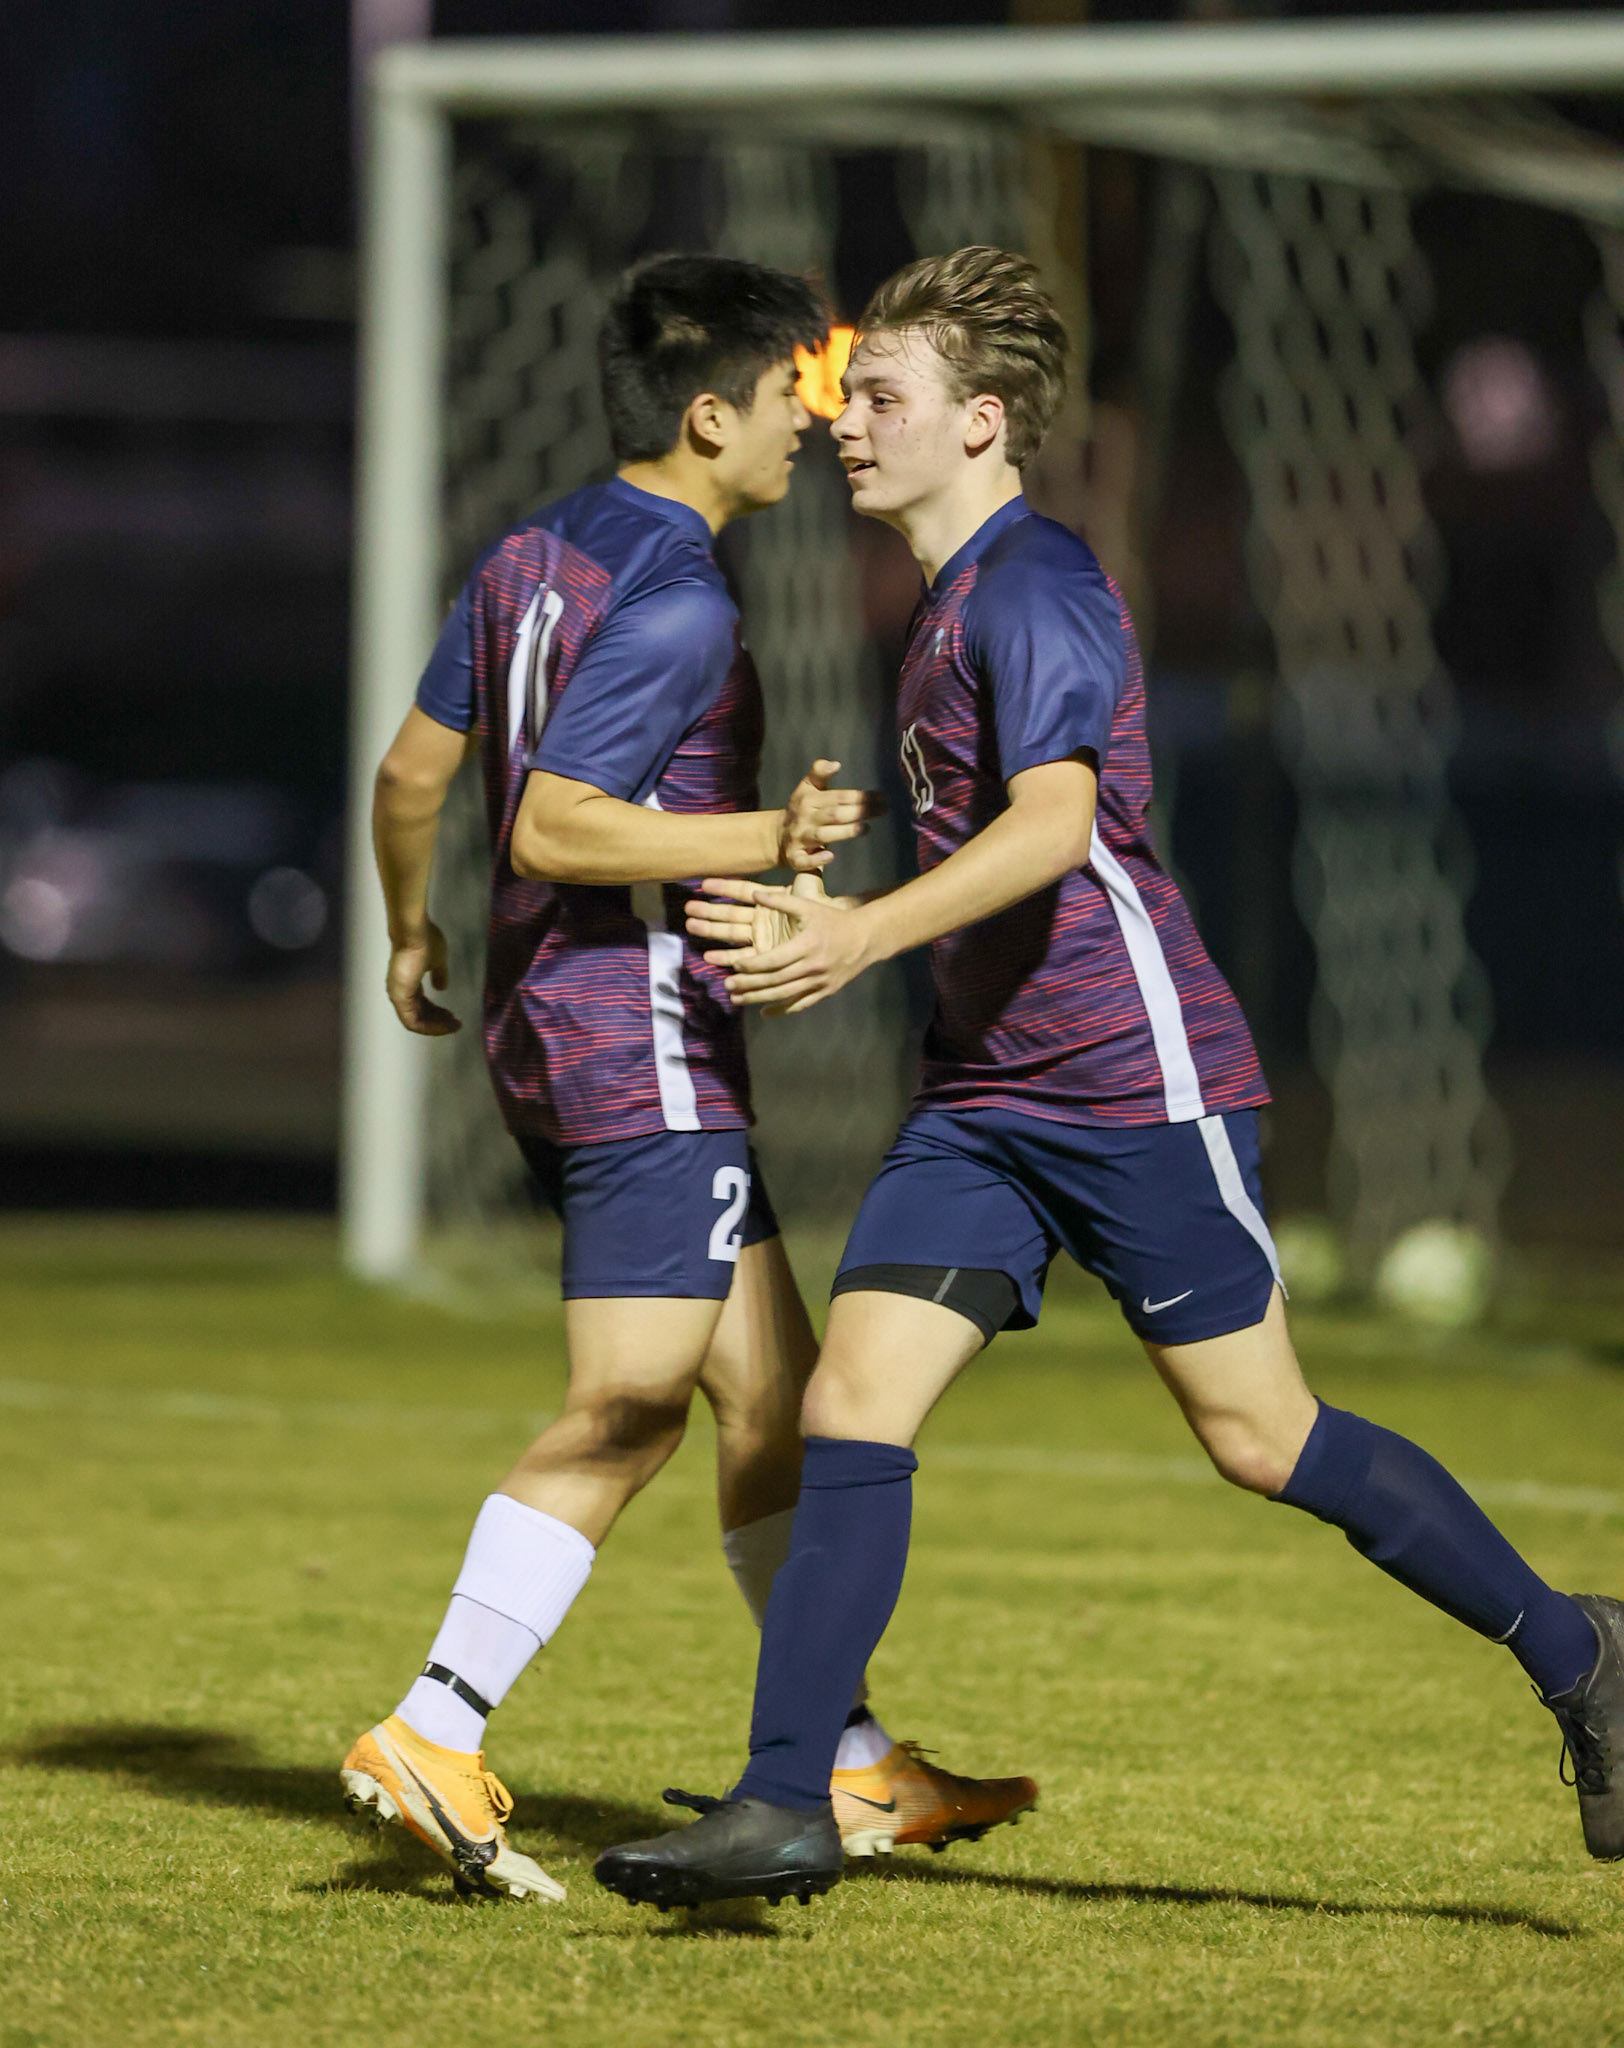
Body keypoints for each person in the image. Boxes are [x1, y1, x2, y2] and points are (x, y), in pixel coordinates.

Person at [593, 245, 1624, 1912]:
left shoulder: (1034, 582)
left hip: (1135, 1082)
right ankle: (791, 1804)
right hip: (985, 1103)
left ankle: (1580, 1650)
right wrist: (824, 906)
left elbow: (1058, 822)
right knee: (845, 1407)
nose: (846, 422)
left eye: (884, 399)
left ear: (981, 425)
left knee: (1262, 1434)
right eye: (847, 398)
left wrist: (853, 940)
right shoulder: (942, 601)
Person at [340, 253, 1037, 1904]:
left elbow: (412, 773)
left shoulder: (537, 551)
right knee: (629, 1406)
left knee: (769, 1402)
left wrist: (408, 935)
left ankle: (850, 1764)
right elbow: (553, 822)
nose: (816, 421)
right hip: (630, 1030)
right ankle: (435, 1728)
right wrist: (769, 836)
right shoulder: (683, 596)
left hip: (551, 1015)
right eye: (792, 393)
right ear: (707, 413)